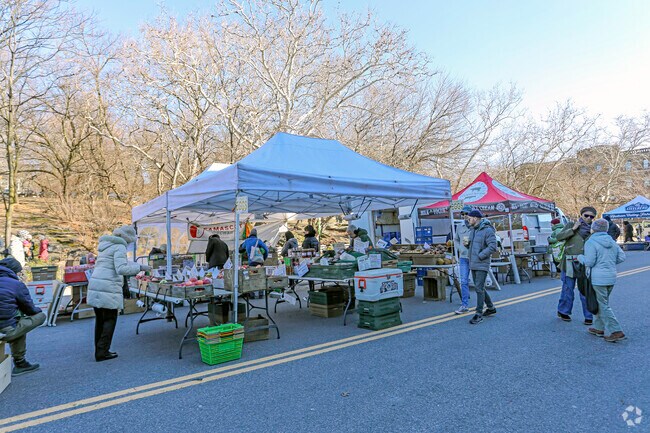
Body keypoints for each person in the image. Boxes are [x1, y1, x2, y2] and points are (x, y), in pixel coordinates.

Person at [87, 225, 150, 362]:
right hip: (108, 285)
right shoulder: (119, 247)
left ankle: (99, 350)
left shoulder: (106, 245)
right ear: (127, 238)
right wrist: (140, 267)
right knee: (110, 318)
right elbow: (121, 269)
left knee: (100, 319)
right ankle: (103, 352)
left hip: (96, 284)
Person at [578, 218, 626, 342]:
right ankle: (599, 328)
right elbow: (621, 257)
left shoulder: (591, 242)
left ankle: (616, 331)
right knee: (602, 302)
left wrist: (580, 257)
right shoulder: (611, 241)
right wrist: (608, 262)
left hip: (598, 278)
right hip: (611, 276)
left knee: (603, 305)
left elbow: (589, 262)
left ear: (593, 228)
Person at [0, 257, 46, 376]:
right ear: (14, 271)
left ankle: (21, 363)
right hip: (5, 330)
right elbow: (30, 309)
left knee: (18, 322)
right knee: (37, 317)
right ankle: (20, 362)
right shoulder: (16, 284)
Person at [555, 206, 596, 325]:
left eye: (592, 216)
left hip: (585, 263)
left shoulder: (594, 229)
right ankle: (564, 311)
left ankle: (589, 315)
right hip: (569, 262)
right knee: (568, 289)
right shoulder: (571, 225)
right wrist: (573, 229)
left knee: (585, 290)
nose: (589, 218)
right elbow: (559, 237)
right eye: (586, 215)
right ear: (581, 215)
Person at [466, 209, 498, 325]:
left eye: (469, 218)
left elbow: (493, 247)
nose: (468, 220)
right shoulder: (473, 230)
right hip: (473, 262)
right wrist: (468, 245)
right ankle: (491, 308)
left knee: (479, 288)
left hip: (481, 263)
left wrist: (480, 255)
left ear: (475, 218)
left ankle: (478, 313)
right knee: (480, 287)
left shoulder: (487, 230)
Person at [453, 205, 474, 314]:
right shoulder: (460, 226)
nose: (465, 216)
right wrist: (460, 248)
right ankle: (464, 304)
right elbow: (456, 239)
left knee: (479, 283)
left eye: (467, 213)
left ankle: (485, 303)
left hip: (475, 258)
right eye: (463, 214)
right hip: (463, 258)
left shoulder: (476, 226)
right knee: (464, 281)